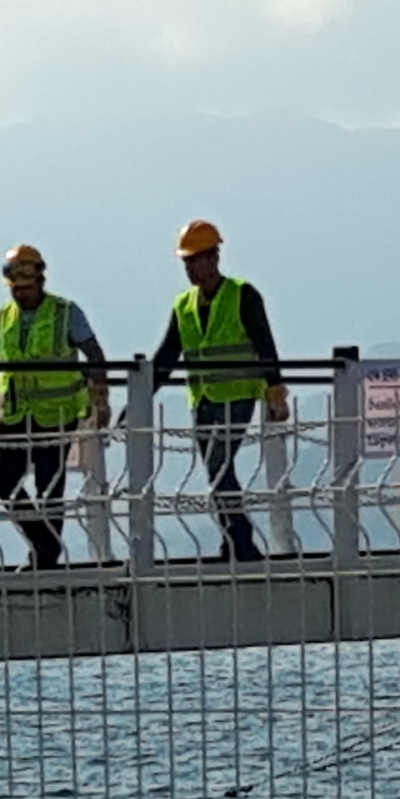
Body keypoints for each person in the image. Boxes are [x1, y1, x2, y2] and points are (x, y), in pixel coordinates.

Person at [148, 219, 290, 562]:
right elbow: (167, 356)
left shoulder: (242, 294)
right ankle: (234, 541)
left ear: (213, 258)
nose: (190, 269)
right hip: (204, 399)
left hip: (238, 394)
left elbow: (264, 343)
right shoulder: (184, 305)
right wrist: (141, 397)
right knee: (216, 469)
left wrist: (275, 389)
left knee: (218, 465)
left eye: (194, 260)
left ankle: (241, 541)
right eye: (186, 262)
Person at [0, 245, 110, 569]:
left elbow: (94, 353)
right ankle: (43, 543)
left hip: (57, 414)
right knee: (4, 479)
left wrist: (101, 398)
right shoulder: (2, 319)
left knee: (50, 486)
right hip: (16, 413)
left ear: (41, 281)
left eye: (26, 288)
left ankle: (45, 556)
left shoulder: (65, 313)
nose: (21, 294)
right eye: (16, 289)